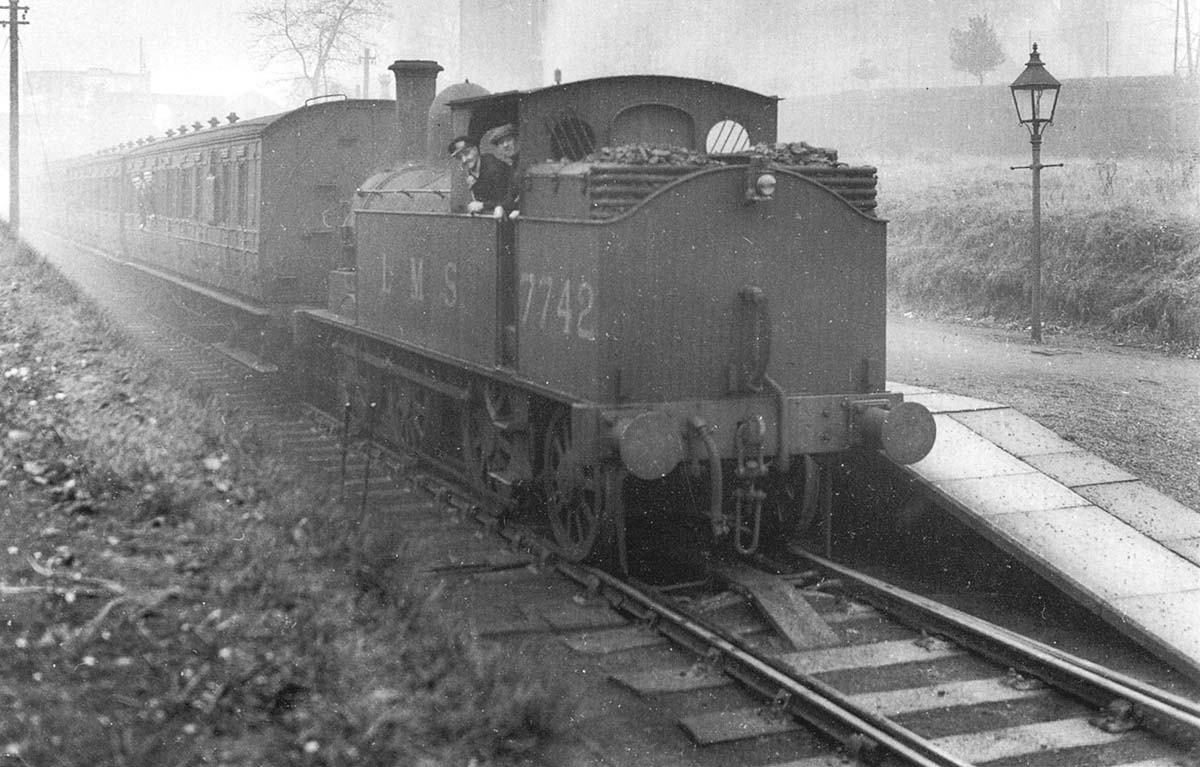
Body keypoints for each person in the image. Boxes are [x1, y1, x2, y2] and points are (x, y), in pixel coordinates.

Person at [447, 130, 517, 216]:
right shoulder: (473, 168)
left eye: (467, 153)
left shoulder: (494, 167)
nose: (464, 160)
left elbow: (508, 202)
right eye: (459, 157)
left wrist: (482, 205)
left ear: (476, 150)